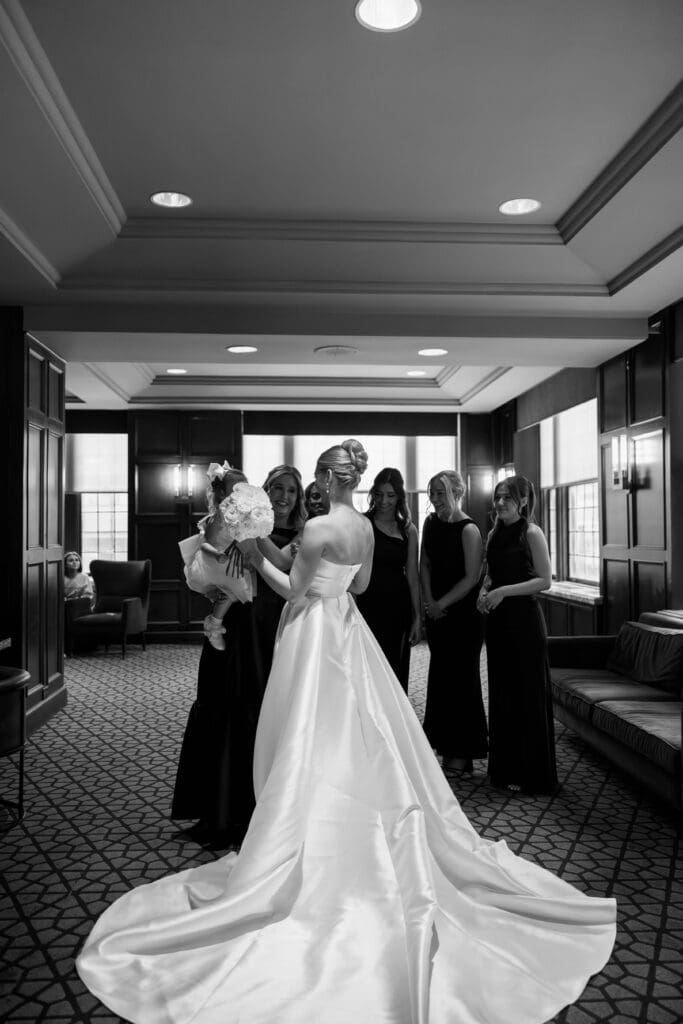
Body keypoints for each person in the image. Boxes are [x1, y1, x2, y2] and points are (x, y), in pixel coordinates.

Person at [78, 440, 616, 1024]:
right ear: (354, 481)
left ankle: (306, 841)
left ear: (324, 478)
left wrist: (257, 548)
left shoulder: (313, 531)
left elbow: (290, 589)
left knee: (309, 732)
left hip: (312, 634)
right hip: (346, 629)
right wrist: (287, 562)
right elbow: (355, 590)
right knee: (363, 732)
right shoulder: (359, 525)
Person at [170, 463, 305, 847]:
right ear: (265, 491)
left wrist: (254, 547)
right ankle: (220, 812)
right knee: (221, 703)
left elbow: (286, 572)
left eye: (291, 491)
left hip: (272, 630)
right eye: (276, 488)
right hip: (237, 625)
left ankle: (259, 812)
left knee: (261, 710)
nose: (283, 497)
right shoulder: (247, 519)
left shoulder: (302, 535)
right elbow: (210, 555)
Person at [478, 475, 558, 794]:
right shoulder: (495, 532)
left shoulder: (531, 532)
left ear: (523, 501)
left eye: (507, 498)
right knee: (502, 694)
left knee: (527, 695)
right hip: (498, 623)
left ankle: (532, 775)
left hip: (525, 621)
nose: (499, 503)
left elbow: (545, 580)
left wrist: (502, 592)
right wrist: (483, 590)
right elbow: (490, 573)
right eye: (497, 497)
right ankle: (505, 770)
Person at [420, 471, 488, 774]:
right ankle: (444, 746)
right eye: (432, 493)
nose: (435, 499)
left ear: (457, 493)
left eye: (440, 493)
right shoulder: (430, 523)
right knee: (441, 680)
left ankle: (463, 753)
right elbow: (424, 564)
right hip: (436, 615)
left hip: (462, 617)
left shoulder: (469, 529)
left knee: (463, 682)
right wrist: (428, 603)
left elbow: (472, 578)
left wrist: (440, 604)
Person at [355, 467, 421, 690]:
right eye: (380, 494)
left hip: (397, 607)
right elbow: (352, 570)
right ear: (373, 493)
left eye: (390, 495)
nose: (384, 500)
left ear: (399, 497)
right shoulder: (362, 524)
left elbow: (412, 575)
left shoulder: (408, 530)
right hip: (367, 603)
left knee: (395, 668)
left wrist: (417, 616)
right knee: (367, 668)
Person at [180, 462, 249, 650]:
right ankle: (214, 625)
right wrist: (218, 554)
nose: (241, 493)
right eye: (236, 490)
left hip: (232, 561)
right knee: (230, 591)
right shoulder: (218, 516)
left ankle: (216, 613)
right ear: (221, 494)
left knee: (231, 591)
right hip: (215, 560)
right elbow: (205, 545)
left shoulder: (243, 515)